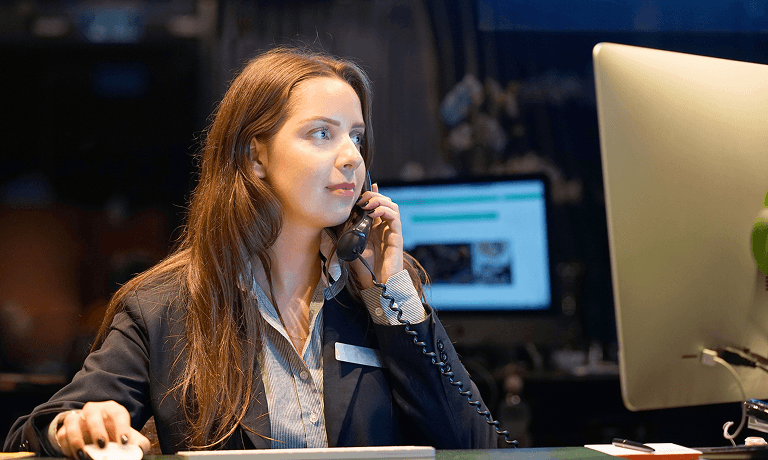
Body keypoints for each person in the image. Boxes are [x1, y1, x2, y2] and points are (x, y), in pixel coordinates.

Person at [3, 46, 504, 457]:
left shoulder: (383, 289)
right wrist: (76, 426)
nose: (352, 157)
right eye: (322, 134)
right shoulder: (163, 305)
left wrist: (388, 292)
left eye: (356, 136)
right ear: (255, 156)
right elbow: (37, 430)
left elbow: (476, 447)